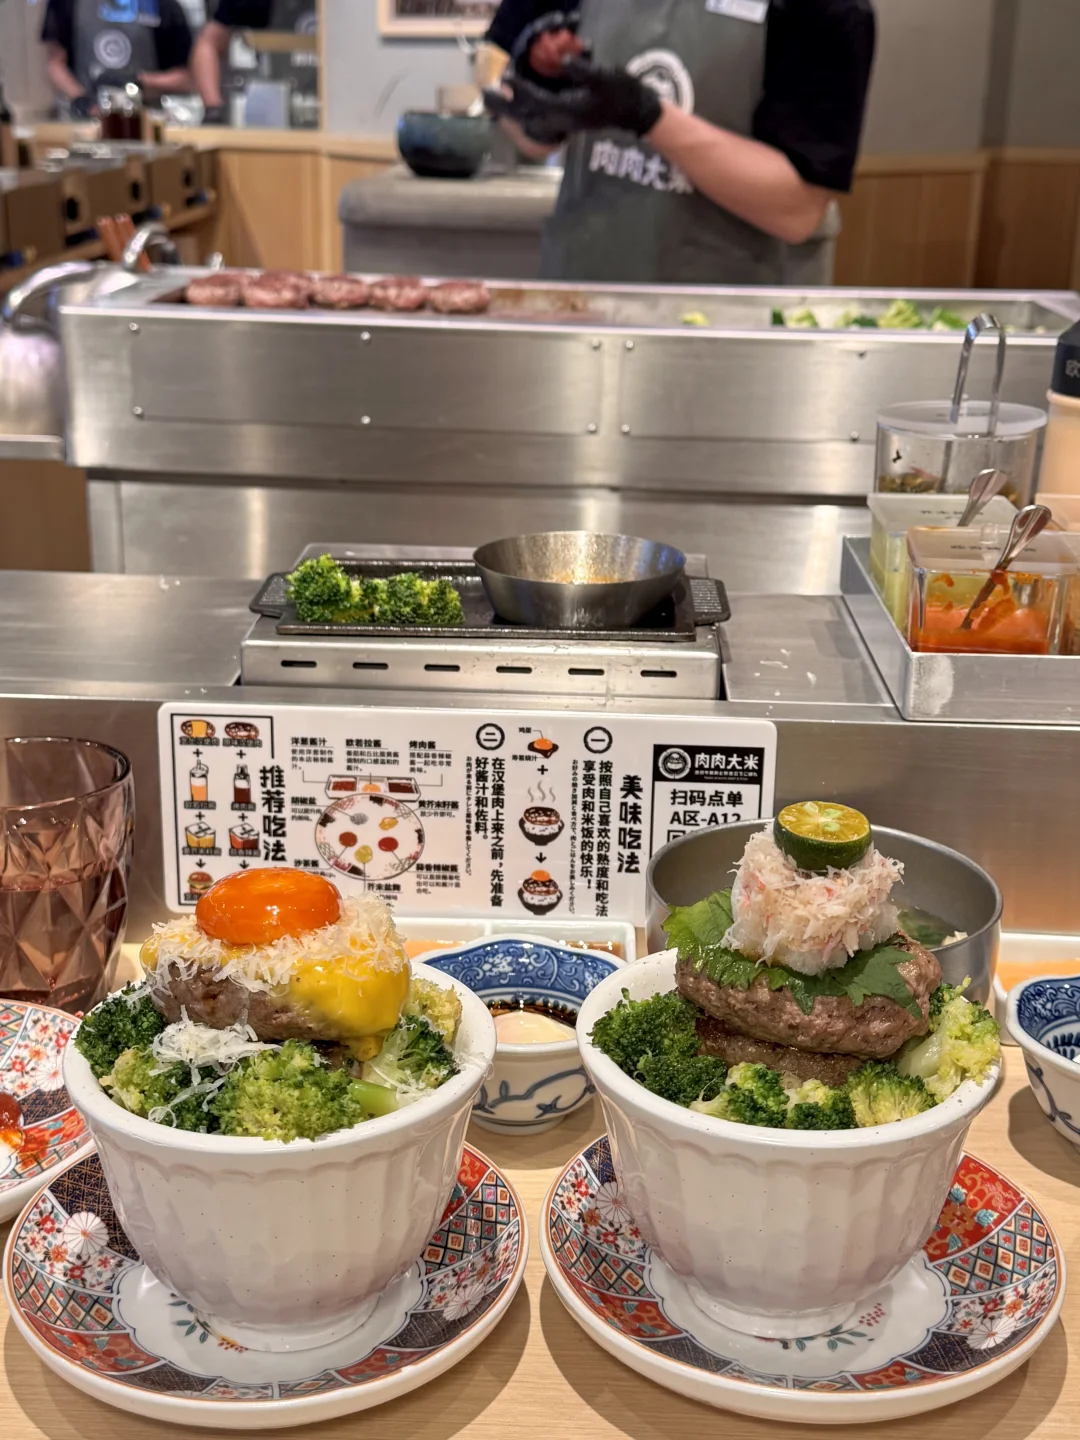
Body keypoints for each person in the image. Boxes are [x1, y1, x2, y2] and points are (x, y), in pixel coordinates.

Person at [484, 2, 876, 285]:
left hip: (727, 317)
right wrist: (539, 110)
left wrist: (647, 115)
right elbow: (509, 97)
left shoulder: (822, 10)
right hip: (582, 292)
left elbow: (796, 210)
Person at [41, 0, 193, 118]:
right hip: (82, 120)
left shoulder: (165, 5)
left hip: (145, 117)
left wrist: (137, 81)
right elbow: (55, 63)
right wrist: (81, 98)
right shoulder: (65, 3)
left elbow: (185, 79)